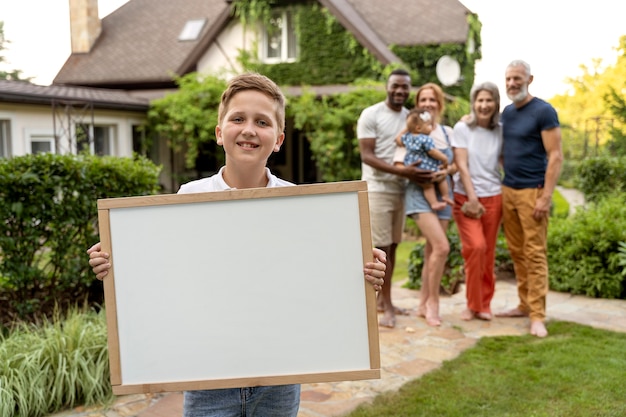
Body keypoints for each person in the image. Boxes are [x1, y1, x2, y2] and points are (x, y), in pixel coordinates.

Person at [87, 72, 387, 417]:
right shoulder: (188, 198)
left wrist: (364, 272)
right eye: (238, 119)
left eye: (262, 122)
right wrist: (115, 263)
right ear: (219, 133)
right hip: (209, 375)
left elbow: (319, 278)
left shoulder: (299, 204)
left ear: (278, 139)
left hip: (281, 372)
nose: (249, 129)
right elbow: (167, 272)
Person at [357, 69, 437, 328]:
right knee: (382, 251)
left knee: (394, 246)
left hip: (402, 189)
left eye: (405, 87)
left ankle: (384, 302)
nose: (400, 91)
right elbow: (367, 156)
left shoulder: (410, 117)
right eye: (396, 86)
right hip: (378, 189)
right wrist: (403, 171)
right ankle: (386, 305)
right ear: (387, 87)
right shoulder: (372, 114)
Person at [494, 60, 563, 338]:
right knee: (517, 251)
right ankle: (524, 304)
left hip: (532, 192)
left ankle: (537, 315)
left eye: (517, 79)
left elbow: (556, 155)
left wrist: (545, 197)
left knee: (534, 254)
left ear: (529, 79)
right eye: (508, 79)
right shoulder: (507, 113)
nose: (512, 84)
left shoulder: (544, 111)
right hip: (508, 190)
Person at [394, 82, 456, 327]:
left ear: (439, 104)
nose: (428, 104)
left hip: (443, 193)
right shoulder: (410, 132)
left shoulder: (447, 133)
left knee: (433, 250)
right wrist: (420, 174)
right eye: (423, 100)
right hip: (419, 194)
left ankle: (422, 304)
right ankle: (434, 304)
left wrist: (444, 171)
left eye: (432, 100)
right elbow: (399, 165)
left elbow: (453, 166)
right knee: (442, 247)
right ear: (417, 105)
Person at [451, 81, 503, 322]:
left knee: (488, 253)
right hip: (466, 198)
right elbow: (461, 164)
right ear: (473, 103)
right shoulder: (462, 128)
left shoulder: (501, 129)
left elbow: (504, 161)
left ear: (495, 103)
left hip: (494, 196)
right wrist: (472, 198)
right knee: (475, 247)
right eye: (480, 100)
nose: (484, 105)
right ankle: (472, 303)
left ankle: (483, 304)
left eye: (488, 100)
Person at [398, 108, 452, 211]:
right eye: (428, 125)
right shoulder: (425, 138)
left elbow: (398, 139)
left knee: (427, 186)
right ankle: (445, 196)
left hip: (415, 168)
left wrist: (409, 128)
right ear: (418, 128)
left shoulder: (407, 137)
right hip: (427, 167)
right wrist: (444, 159)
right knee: (441, 178)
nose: (431, 128)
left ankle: (434, 203)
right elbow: (432, 151)